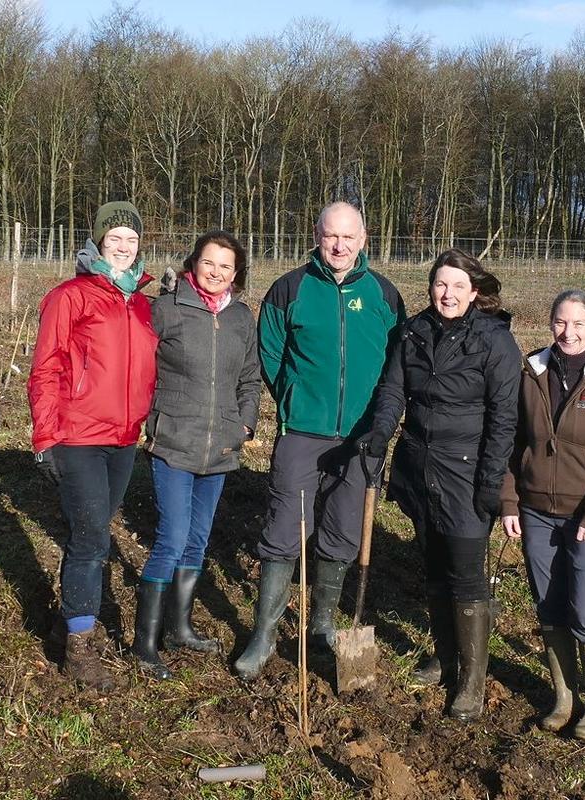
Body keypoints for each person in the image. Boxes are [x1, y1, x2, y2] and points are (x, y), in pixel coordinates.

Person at [234, 201, 404, 681]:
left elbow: (396, 366)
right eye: (331, 235)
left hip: (360, 439)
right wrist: (292, 396)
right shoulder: (290, 289)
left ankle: (322, 623)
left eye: (348, 237)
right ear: (317, 234)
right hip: (302, 431)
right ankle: (264, 635)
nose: (339, 245)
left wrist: (378, 425)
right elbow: (269, 351)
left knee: (343, 529)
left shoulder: (384, 297)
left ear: (364, 239)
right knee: (284, 526)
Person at [358, 249, 521, 722]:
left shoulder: (495, 342)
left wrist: (491, 482)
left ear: (474, 293)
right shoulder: (411, 333)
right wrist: (379, 435)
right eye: (439, 285)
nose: (447, 294)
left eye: (457, 286)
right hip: (419, 467)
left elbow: (504, 420)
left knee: (466, 574)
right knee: (432, 565)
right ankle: (446, 657)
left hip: (467, 472)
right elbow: (392, 391)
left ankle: (470, 680)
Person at [28, 201, 157, 692]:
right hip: (79, 436)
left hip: (123, 439)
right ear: (97, 243)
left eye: (131, 239)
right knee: (91, 539)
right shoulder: (71, 296)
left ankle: (66, 622)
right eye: (114, 239)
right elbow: (47, 369)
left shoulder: (141, 303)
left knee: (94, 529)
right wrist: (46, 438)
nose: (123, 248)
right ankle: (81, 646)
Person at [499, 289, 585, 741]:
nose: (568, 332)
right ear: (550, 323)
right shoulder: (532, 373)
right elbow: (513, 444)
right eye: (560, 322)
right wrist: (511, 501)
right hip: (537, 513)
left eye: (579, 324)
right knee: (549, 606)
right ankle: (564, 697)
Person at [130, 230, 262, 680]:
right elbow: (139, 366)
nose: (217, 272)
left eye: (227, 266)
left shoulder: (242, 318)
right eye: (210, 263)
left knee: (198, 537)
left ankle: (179, 626)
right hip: (174, 441)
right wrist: (151, 416)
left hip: (221, 445)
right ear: (194, 263)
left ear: (236, 274)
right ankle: (145, 643)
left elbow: (250, 376)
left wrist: (244, 423)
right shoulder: (165, 310)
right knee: (172, 535)